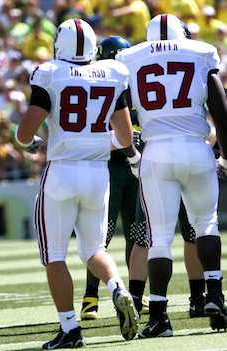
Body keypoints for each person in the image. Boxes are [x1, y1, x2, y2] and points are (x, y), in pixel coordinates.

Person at [16, 19, 140, 349]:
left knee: (55, 256)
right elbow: (126, 137)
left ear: (60, 44)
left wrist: (28, 144)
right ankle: (117, 287)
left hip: (62, 172)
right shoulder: (112, 73)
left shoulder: (50, 72)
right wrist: (96, 144)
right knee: (93, 250)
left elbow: (25, 133)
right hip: (98, 173)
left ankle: (70, 330)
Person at [116, 13, 227, 338]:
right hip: (195, 146)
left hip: (157, 151)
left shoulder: (128, 57)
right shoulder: (201, 51)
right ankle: (215, 295)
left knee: (159, 237)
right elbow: (220, 110)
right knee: (205, 223)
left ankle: (161, 316)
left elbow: (119, 111)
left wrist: (132, 155)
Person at [78, 35, 149, 320]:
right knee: (100, 238)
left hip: (133, 168)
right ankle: (90, 296)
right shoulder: (99, 87)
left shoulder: (139, 87)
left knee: (136, 234)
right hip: (108, 166)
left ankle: (134, 294)